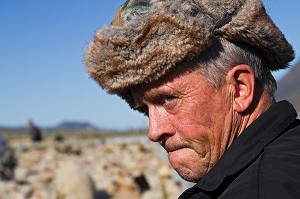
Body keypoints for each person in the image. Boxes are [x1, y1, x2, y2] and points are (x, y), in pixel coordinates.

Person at [84, 0, 300, 198]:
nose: (154, 132)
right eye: (144, 109)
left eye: (168, 98)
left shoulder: (262, 189)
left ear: (240, 89)